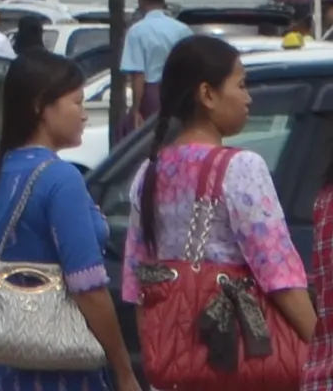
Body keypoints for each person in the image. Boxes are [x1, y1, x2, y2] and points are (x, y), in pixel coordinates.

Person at [124, 33, 313, 376]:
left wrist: (159, 353)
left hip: (176, 360)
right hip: (235, 358)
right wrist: (320, 345)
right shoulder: (241, 167)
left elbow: (138, 281)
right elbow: (278, 274)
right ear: (207, 94)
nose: (248, 99)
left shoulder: (147, 173)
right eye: (241, 85)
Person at [0, 47, 139, 391]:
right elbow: (88, 288)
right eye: (77, 103)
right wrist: (123, 370)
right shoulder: (60, 179)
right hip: (54, 371)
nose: (84, 115)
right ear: (40, 108)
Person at [114, 0, 190, 138]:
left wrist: (135, 108)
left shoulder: (137, 31)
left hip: (152, 95)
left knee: (148, 140)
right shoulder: (182, 30)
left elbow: (138, 75)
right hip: (180, 93)